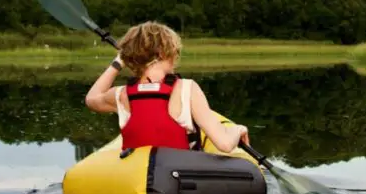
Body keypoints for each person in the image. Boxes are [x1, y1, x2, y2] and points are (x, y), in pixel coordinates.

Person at [84, 21, 249, 153]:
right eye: (174, 52)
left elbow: (91, 99)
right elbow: (225, 145)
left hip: (138, 181)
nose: (176, 57)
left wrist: (117, 63)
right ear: (163, 54)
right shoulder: (187, 89)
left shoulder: (121, 94)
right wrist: (238, 129)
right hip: (178, 182)